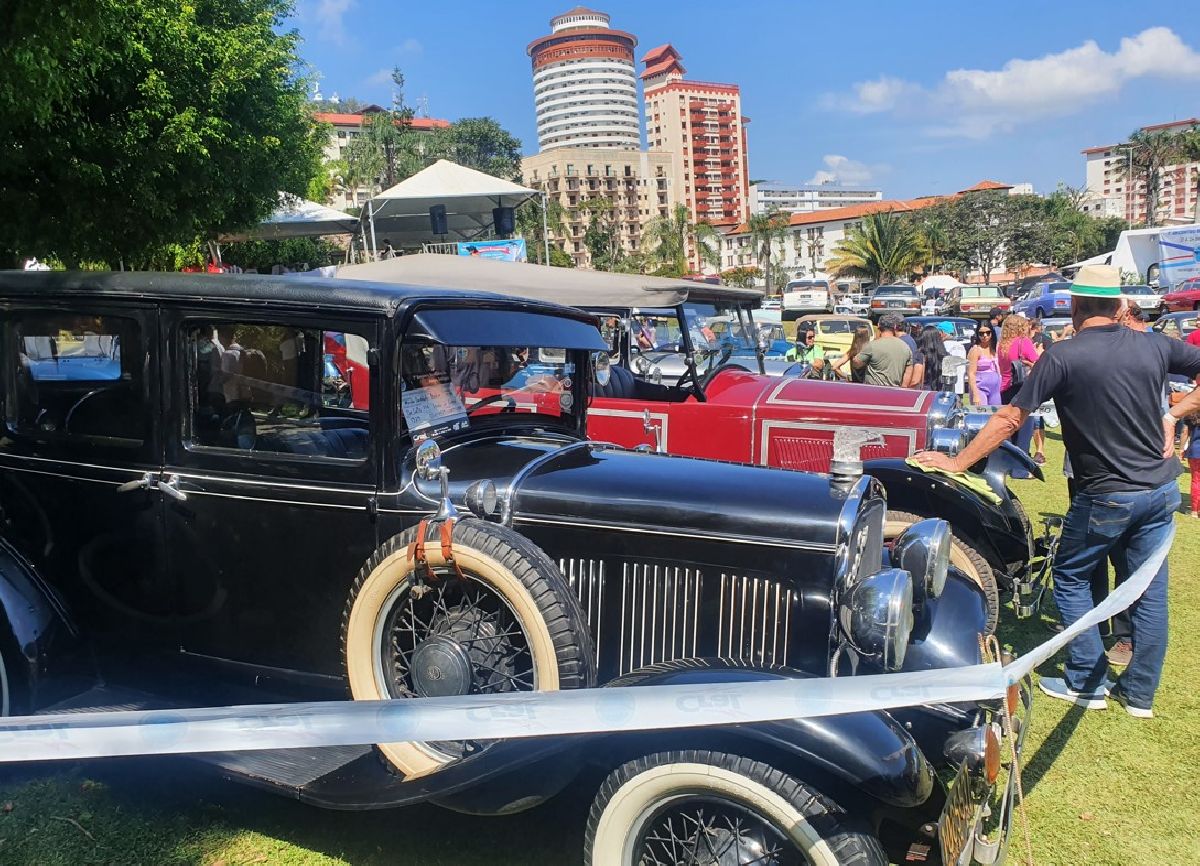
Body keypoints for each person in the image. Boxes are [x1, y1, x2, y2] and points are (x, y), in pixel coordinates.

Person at [916, 264, 1200, 718]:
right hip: (1161, 489)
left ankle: (1087, 681)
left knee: (1069, 578)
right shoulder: (1154, 345)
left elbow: (1011, 418)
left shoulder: (1063, 356)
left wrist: (956, 461)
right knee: (1148, 590)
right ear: (1119, 304)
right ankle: (1140, 697)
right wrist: (1175, 414)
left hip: (1106, 493)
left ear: (1074, 303)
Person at [850, 313, 912, 387]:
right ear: (895, 327)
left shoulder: (872, 346)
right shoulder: (905, 347)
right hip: (895, 392)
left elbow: (856, 363)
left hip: (874, 391)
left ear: (878, 326)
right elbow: (908, 372)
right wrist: (902, 389)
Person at [967, 326, 1001, 406]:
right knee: (982, 414)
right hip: (980, 388)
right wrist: (975, 394)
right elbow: (971, 373)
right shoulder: (975, 350)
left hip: (995, 388)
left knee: (995, 415)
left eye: (988, 333)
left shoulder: (994, 349)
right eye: (981, 333)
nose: (985, 335)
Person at [917, 326, 949, 390]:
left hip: (924, 391)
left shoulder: (920, 356)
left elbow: (916, 379)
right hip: (940, 390)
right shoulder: (945, 356)